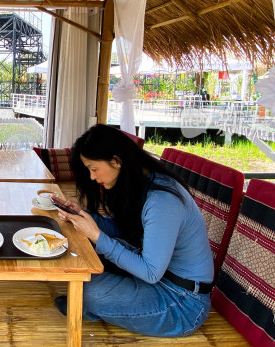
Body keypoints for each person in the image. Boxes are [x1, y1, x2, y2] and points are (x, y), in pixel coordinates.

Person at [51, 124, 214, 337]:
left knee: (91, 292)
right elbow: (122, 230)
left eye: (93, 168)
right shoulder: (141, 182)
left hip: (182, 302)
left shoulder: (162, 200)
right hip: (161, 279)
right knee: (83, 257)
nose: (92, 177)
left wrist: (96, 234)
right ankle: (98, 304)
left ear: (117, 161)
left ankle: (91, 306)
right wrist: (86, 216)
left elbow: (150, 272)